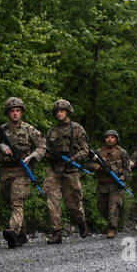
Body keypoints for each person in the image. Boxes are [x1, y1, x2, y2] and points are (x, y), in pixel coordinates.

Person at [0, 97, 45, 247]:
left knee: (17, 202)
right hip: (6, 171)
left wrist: (32, 156)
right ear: (8, 113)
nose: (15, 114)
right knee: (10, 202)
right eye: (12, 111)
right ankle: (21, 233)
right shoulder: (1, 130)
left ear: (21, 112)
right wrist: (0, 147)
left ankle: (12, 232)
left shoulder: (29, 130)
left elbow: (42, 146)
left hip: (22, 171)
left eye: (17, 111)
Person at [43, 98, 90, 242]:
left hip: (71, 170)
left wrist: (74, 157)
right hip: (55, 170)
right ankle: (56, 232)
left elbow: (85, 150)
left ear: (68, 112)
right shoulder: (52, 131)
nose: (59, 114)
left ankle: (82, 223)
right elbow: (45, 150)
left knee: (74, 203)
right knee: (53, 201)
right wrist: (50, 155)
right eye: (57, 111)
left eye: (62, 111)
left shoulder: (77, 129)